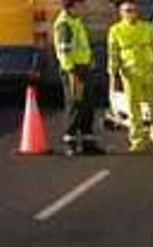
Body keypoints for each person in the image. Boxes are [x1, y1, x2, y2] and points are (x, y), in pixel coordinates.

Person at [107, 1, 153, 156]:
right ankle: (137, 140)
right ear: (121, 13)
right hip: (130, 74)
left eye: (134, 10)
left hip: (149, 72)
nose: (131, 13)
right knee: (134, 109)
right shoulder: (116, 30)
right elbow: (113, 55)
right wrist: (113, 75)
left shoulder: (147, 28)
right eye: (128, 10)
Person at [52, 0, 100, 156]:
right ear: (71, 6)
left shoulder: (76, 21)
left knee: (88, 105)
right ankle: (70, 142)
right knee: (75, 105)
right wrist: (71, 71)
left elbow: (82, 45)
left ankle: (88, 142)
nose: (83, 8)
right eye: (80, 5)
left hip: (84, 67)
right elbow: (63, 51)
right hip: (74, 70)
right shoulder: (64, 24)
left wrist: (89, 59)